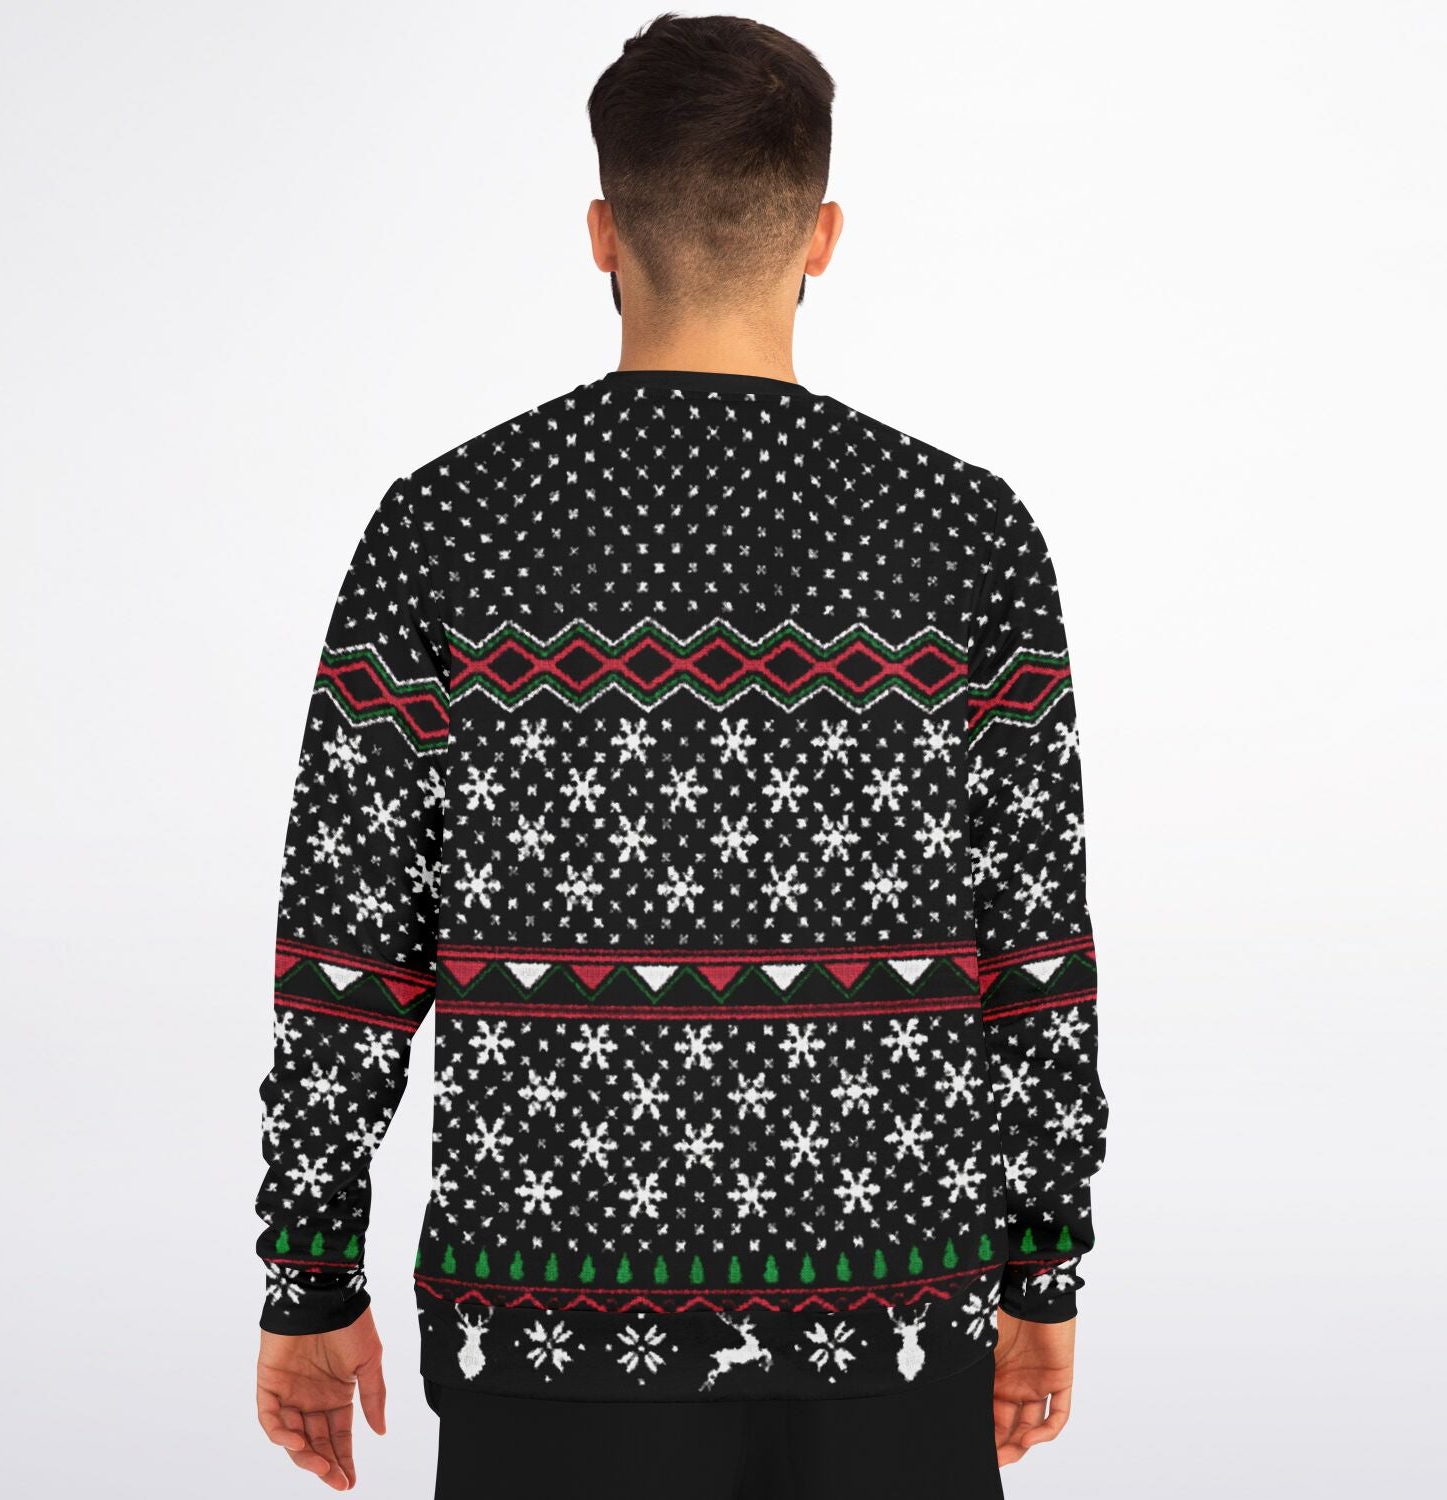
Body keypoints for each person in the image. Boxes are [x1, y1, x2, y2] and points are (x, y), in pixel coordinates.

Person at [253, 13, 1107, 1497]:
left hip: (548, 1329)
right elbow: (1036, 941)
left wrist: (309, 1277)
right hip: (895, 1309)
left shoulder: (446, 526)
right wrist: (1043, 1267)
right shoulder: (969, 535)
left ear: (602, 231)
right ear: (821, 234)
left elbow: (349, 938)